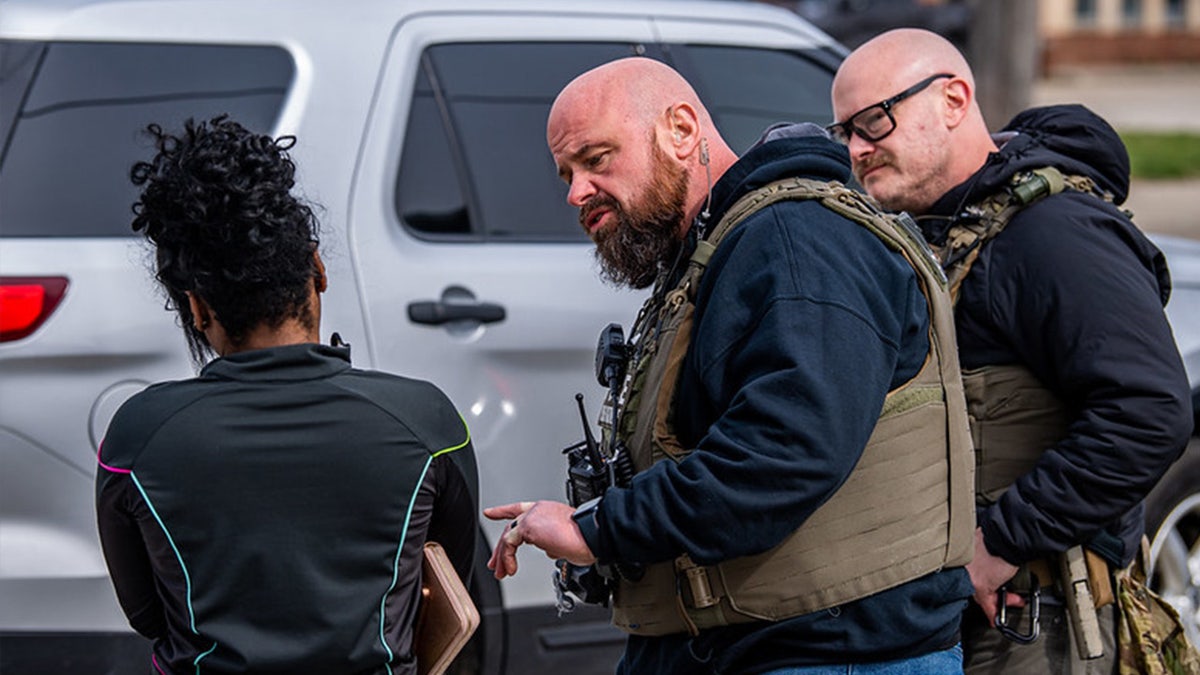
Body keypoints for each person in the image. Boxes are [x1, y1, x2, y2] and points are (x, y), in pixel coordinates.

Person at [485, 56, 976, 674]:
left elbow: (784, 452)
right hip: (740, 644)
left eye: (597, 159)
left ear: (682, 130)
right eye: (567, 173)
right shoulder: (723, 248)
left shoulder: (800, 240)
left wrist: (600, 527)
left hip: (827, 652)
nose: (576, 192)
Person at [830, 29, 1193, 674]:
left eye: (875, 121)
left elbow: (1148, 411)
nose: (858, 148)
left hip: (1035, 621)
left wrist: (1001, 540)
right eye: (845, 133)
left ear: (953, 98)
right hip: (959, 615)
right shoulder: (946, 228)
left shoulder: (1054, 236)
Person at [95, 115, 479, 675]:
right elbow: (444, 581)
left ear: (197, 308)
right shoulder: (427, 425)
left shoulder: (137, 437)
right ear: (318, 270)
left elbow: (149, 614)